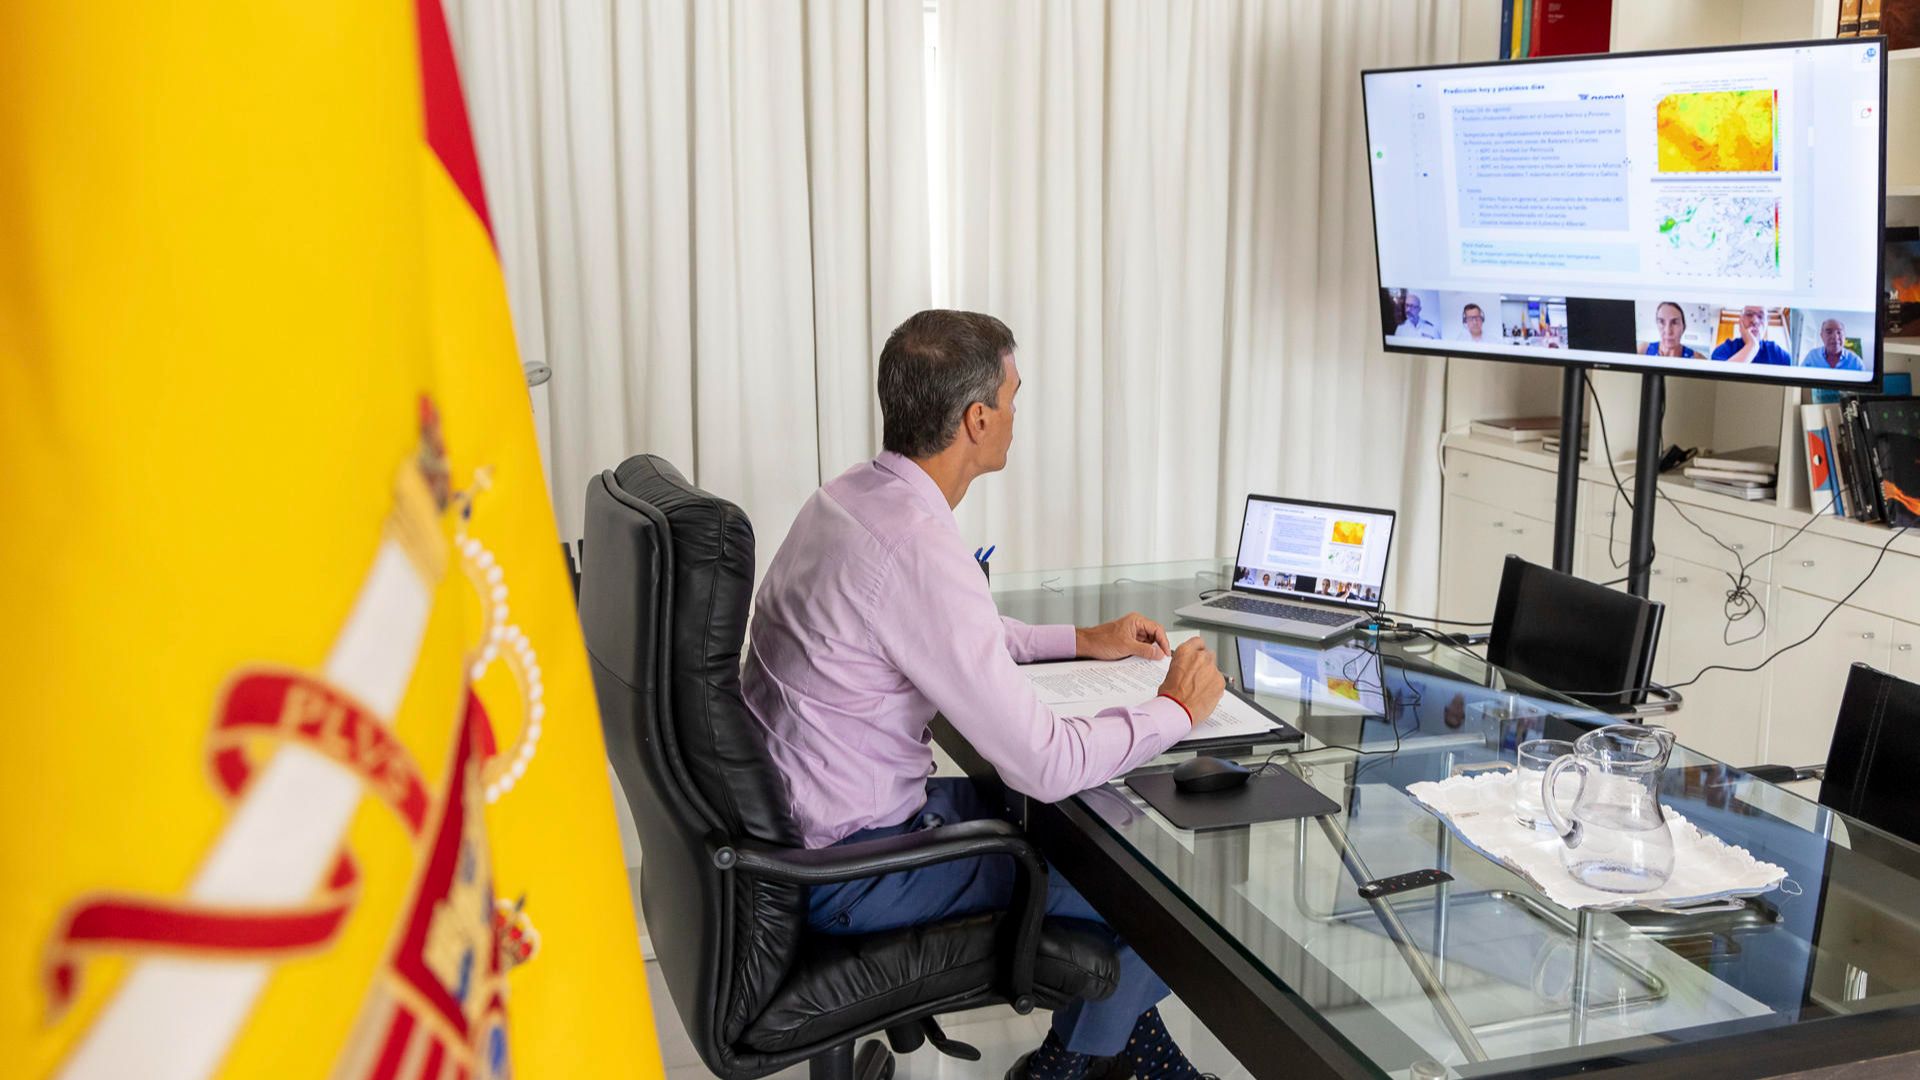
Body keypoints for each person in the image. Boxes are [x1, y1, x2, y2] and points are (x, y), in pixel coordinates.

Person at [742, 309, 1228, 1080]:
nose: (1014, 415)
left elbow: (938, 629)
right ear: (977, 419)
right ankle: (1070, 1065)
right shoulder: (915, 544)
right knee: (1173, 899)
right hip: (857, 870)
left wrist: (1078, 639)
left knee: (1123, 832)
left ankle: (1127, 1048)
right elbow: (1045, 763)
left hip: (812, 838)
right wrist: (1175, 709)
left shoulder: (849, 499)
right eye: (1012, 397)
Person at [1710, 305, 1792, 365]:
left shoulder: (1776, 352)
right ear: (1740, 320)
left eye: (1761, 316)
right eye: (1749, 314)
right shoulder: (1725, 349)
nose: (1755, 321)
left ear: (1766, 324)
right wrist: (1752, 345)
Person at [1799, 317, 1866, 371]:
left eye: (1839, 332)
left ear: (1844, 336)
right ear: (1822, 336)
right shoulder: (1812, 356)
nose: (1835, 337)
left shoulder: (1856, 362)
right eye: (1829, 332)